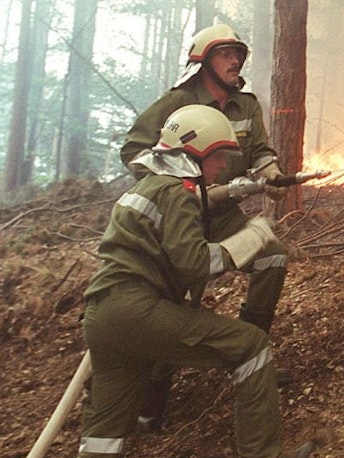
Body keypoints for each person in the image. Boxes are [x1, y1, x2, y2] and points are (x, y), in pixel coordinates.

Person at [69, 105, 317, 458]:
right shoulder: (177, 192)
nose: (221, 167)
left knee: (104, 434)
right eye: (218, 157)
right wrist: (251, 238)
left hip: (103, 316)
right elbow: (195, 263)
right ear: (194, 151)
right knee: (251, 346)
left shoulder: (149, 185)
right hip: (138, 308)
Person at [121, 23, 291, 430]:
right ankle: (149, 404)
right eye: (226, 54)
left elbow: (261, 152)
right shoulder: (177, 103)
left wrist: (270, 172)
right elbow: (133, 151)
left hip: (227, 217)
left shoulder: (246, 106)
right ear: (203, 60)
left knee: (272, 257)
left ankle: (248, 355)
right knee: (174, 305)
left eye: (239, 54)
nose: (236, 60)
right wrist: (179, 186)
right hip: (180, 220)